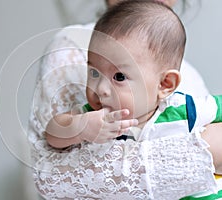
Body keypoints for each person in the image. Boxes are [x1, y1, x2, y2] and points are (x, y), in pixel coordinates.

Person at [28, 0, 222, 199]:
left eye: (119, 77)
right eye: (94, 73)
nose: (100, 89)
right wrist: (81, 127)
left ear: (165, 85)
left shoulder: (183, 109)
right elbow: (51, 135)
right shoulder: (94, 116)